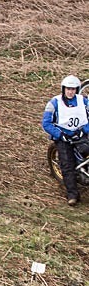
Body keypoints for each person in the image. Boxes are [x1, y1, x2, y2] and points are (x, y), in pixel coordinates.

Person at [42, 75, 89, 206]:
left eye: (73, 89)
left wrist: (84, 129)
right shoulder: (54, 103)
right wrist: (59, 134)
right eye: (68, 89)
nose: (71, 92)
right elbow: (46, 123)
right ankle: (72, 194)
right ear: (63, 89)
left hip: (80, 135)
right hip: (63, 138)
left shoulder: (83, 101)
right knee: (67, 164)